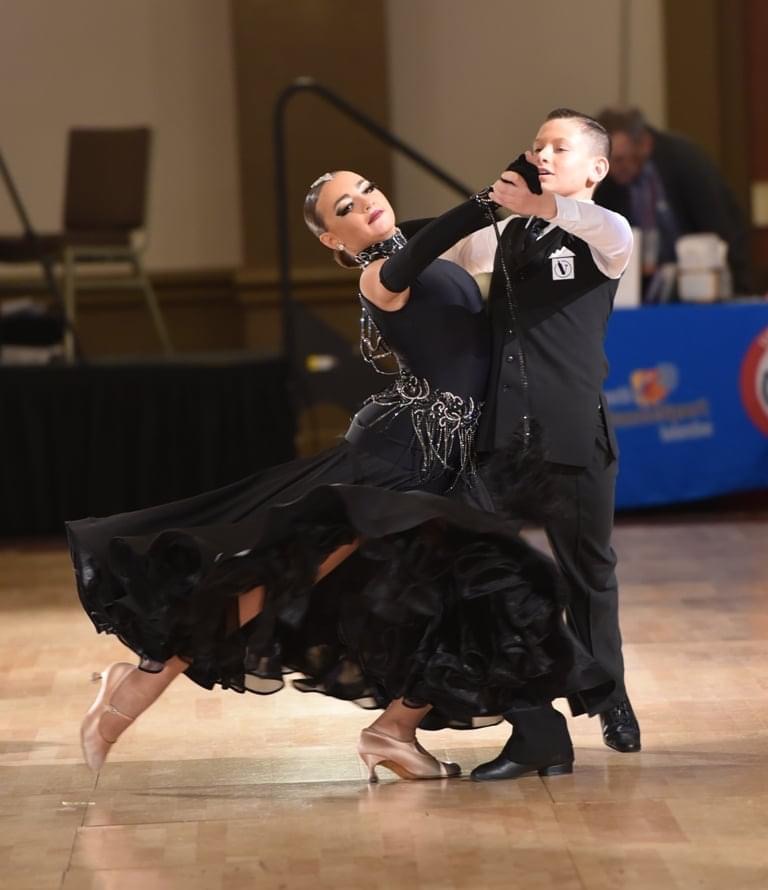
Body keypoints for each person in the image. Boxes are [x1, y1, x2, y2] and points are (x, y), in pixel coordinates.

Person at [68, 169, 613, 782]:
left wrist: (546, 180)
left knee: (451, 596)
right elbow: (440, 243)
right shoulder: (379, 275)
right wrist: (486, 199)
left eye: (369, 190)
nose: (368, 206)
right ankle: (137, 686)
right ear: (334, 239)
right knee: (278, 574)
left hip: (450, 460)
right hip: (399, 457)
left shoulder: (421, 248)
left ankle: (395, 731)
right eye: (346, 208)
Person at [438, 108, 638, 781]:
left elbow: (588, 223)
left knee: (589, 577)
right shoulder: (509, 230)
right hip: (501, 436)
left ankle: (609, 698)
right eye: (536, 146)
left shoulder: (606, 231)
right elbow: (444, 256)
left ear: (596, 168)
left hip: (573, 430)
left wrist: (541, 203)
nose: (542, 154)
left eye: (559, 147)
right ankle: (533, 724)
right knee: (484, 574)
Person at [594, 107, 752, 298]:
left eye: (620, 160)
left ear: (644, 145)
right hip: (644, 289)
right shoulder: (606, 181)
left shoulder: (685, 162)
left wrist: (741, 287)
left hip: (699, 278)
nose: (612, 170)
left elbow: (722, 225)